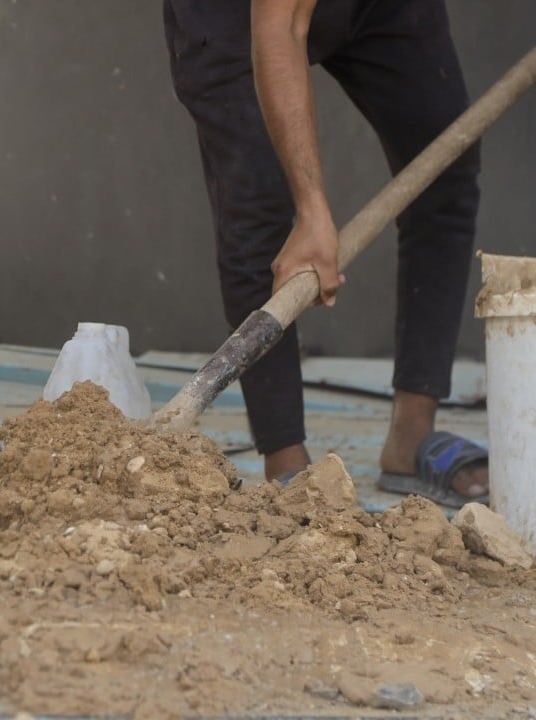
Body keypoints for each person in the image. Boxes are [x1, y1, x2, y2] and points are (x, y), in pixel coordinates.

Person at [163, 0, 489, 509]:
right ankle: (288, 466)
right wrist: (312, 210)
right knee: (257, 207)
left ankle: (411, 437)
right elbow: (281, 27)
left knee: (443, 160)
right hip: (233, 14)